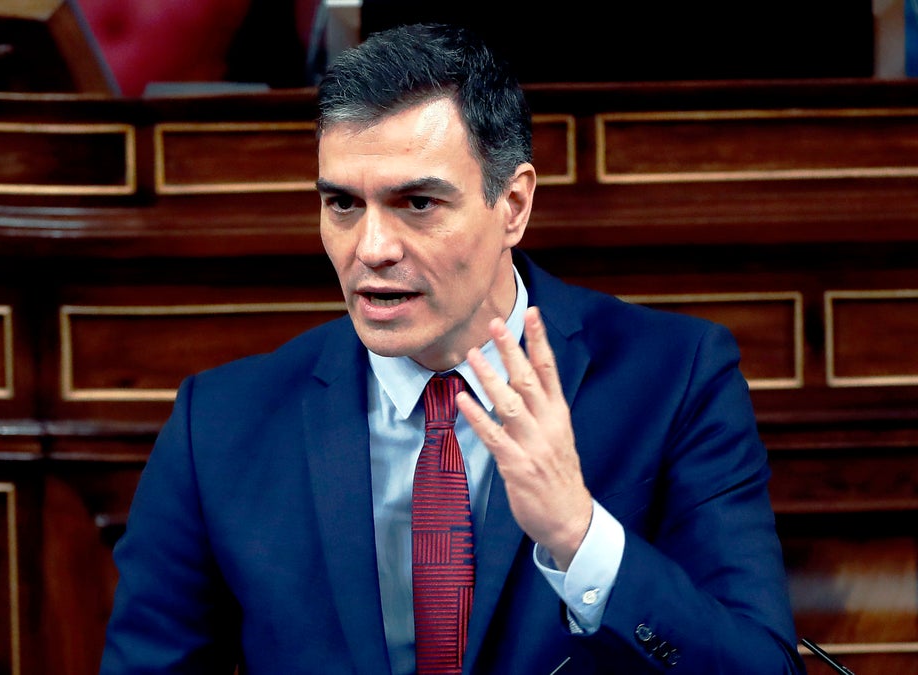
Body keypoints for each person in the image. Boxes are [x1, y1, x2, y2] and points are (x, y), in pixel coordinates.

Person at [100, 23, 803, 674]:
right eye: (343, 203)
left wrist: (579, 534)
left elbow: (761, 666)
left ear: (514, 205)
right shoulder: (217, 424)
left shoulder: (675, 378)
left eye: (418, 203)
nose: (371, 249)